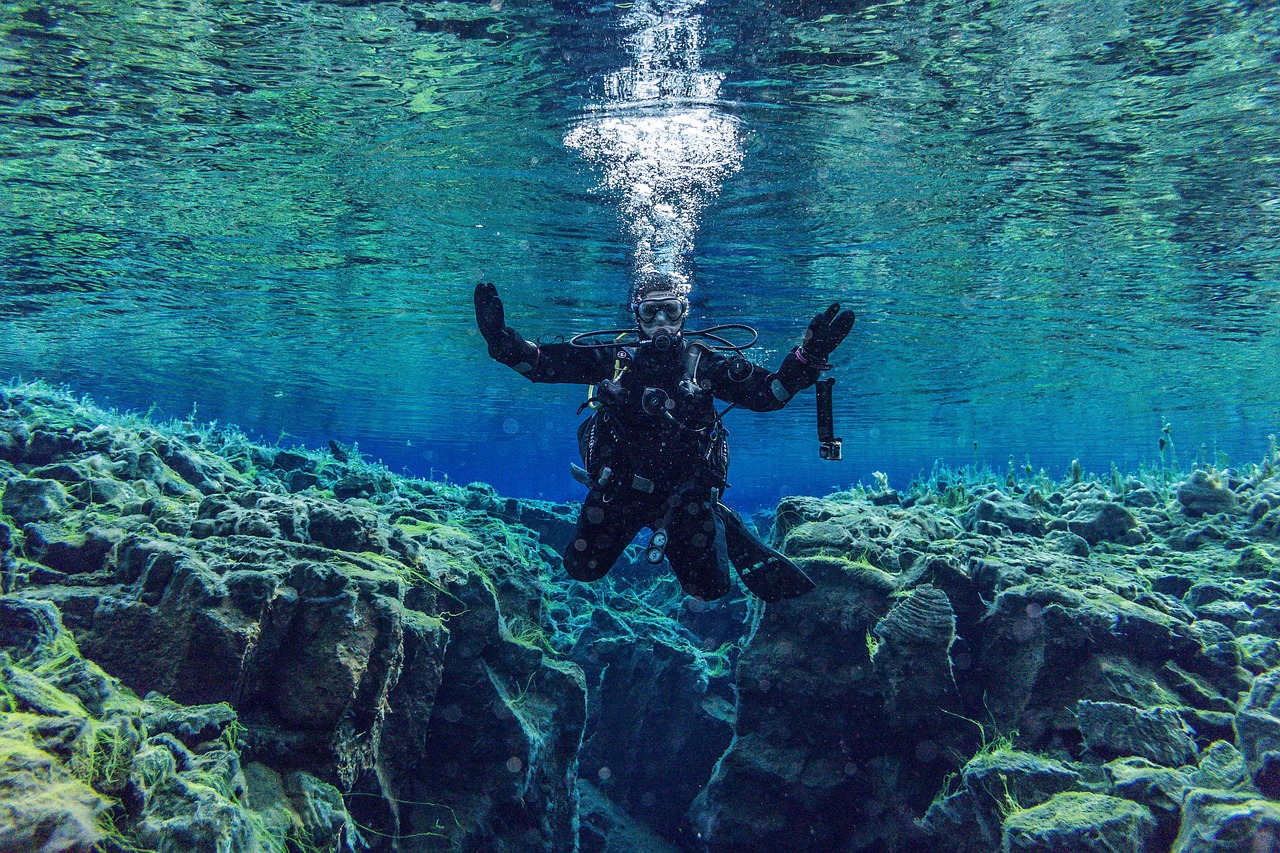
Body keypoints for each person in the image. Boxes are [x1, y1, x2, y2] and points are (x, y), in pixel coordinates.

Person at [473, 280, 854, 602]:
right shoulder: (612, 359)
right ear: (636, 316)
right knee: (581, 569)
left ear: (683, 315)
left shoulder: (707, 364)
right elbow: (539, 365)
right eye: (650, 312)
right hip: (617, 492)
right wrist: (500, 341)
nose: (660, 323)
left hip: (684, 498)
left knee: (709, 590)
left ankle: (721, 520)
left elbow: (771, 395)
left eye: (670, 311)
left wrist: (808, 357)